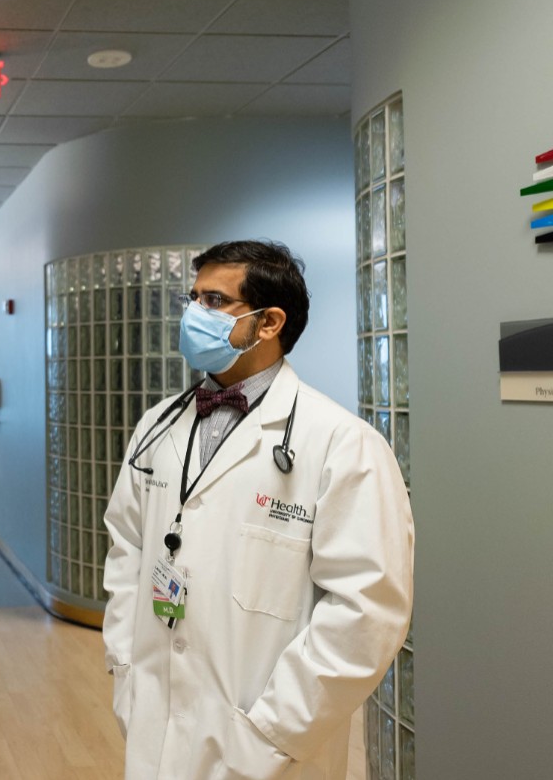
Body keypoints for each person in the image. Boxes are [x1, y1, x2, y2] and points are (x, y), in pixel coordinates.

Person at [102, 240, 414, 779]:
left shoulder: (342, 444)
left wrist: (272, 730)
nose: (193, 315)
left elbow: (365, 612)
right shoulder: (157, 426)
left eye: (215, 302)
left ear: (268, 322)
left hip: (269, 744)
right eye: (193, 298)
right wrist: (128, 672)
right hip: (156, 718)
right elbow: (126, 549)